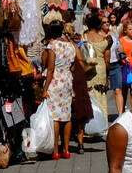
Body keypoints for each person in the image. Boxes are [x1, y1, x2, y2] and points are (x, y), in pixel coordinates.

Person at [40, 19, 77, 160]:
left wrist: (45, 88)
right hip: (67, 80)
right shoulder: (70, 46)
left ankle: (55, 150)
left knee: (55, 117)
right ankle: (66, 150)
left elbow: (50, 69)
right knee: (67, 116)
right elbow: (73, 67)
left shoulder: (52, 46)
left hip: (55, 81)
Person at [81, 12, 111, 138]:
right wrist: (108, 75)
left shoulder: (83, 36)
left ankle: (88, 126)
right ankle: (101, 125)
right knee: (101, 96)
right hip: (100, 69)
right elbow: (107, 60)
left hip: (87, 68)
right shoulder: (104, 39)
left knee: (88, 96)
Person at [109, 18, 132, 120]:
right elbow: (118, 53)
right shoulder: (121, 40)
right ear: (125, 30)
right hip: (124, 68)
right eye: (130, 29)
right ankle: (122, 113)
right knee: (123, 92)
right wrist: (124, 59)